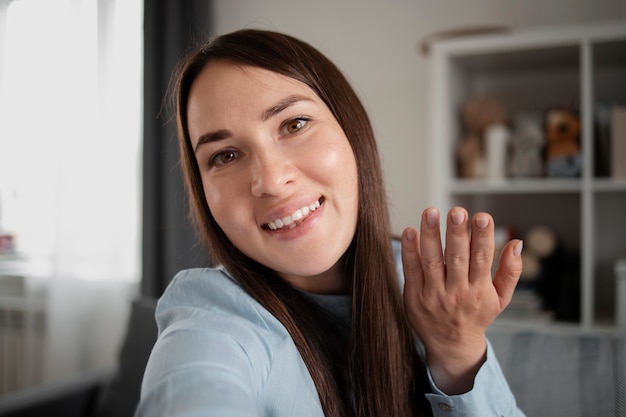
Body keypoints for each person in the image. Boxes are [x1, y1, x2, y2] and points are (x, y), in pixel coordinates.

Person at [136, 29, 526, 417]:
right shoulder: (212, 314)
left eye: (294, 125)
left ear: (352, 132)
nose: (270, 181)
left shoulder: (424, 285)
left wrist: (458, 350)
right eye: (225, 156)